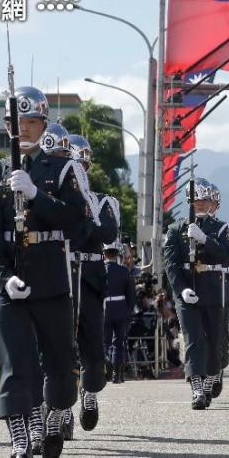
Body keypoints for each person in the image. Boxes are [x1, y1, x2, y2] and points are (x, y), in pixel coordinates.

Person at [0, 86, 87, 458]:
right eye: (15, 121)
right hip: (8, 279)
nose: (23, 128)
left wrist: (37, 194)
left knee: (59, 361)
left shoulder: (63, 168)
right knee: (14, 361)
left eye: (31, 121)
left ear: (44, 124)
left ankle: (54, 412)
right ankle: (21, 434)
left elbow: (77, 222)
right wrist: (3, 275)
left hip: (50, 278)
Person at [163, 178, 229, 409]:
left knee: (215, 341)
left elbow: (227, 256)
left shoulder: (222, 229)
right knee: (193, 339)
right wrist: (181, 289)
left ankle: (211, 378)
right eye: (197, 201)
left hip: (214, 289)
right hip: (188, 288)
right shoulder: (176, 229)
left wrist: (205, 240)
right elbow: (171, 263)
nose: (200, 205)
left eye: (205, 200)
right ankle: (197, 387)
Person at [64, 134, 119, 434]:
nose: (82, 167)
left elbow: (108, 232)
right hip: (65, 274)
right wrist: (90, 226)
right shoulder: (59, 200)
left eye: (85, 162)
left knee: (92, 345)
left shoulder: (102, 200)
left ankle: (90, 392)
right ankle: (60, 410)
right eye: (76, 162)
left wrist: (87, 226)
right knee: (60, 346)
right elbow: (77, 233)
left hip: (92, 279)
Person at [103, 241, 135, 384]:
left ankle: (104, 372)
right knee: (118, 343)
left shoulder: (100, 270)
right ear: (117, 254)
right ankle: (117, 374)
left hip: (104, 309)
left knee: (104, 342)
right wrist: (128, 311)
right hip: (121, 309)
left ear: (104, 254)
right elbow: (131, 295)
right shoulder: (124, 271)